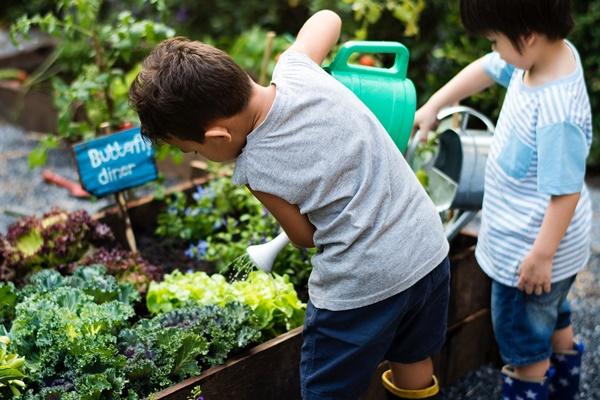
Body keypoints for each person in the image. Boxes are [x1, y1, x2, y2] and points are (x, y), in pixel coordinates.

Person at [129, 10, 450, 400]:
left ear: (217, 135)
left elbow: (305, 236)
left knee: (326, 388)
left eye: (192, 148)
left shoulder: (255, 168)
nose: (196, 152)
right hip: (427, 248)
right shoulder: (297, 68)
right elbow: (328, 19)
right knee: (413, 356)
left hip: (362, 283)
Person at [413, 1, 591, 399]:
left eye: (495, 41)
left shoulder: (555, 110)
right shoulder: (546, 56)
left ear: (526, 36)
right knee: (554, 319)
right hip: (560, 253)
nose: (494, 50)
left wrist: (540, 256)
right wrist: (433, 105)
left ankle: (534, 385)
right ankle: (565, 388)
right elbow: (487, 69)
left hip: (527, 259)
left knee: (525, 351)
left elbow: (565, 191)